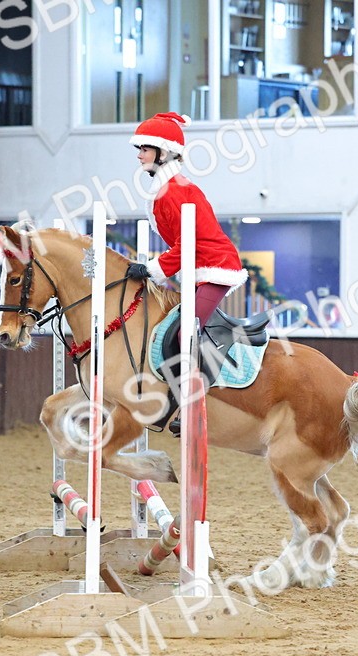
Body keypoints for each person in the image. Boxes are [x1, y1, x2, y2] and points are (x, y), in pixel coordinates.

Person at [124, 112, 247, 434]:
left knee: (184, 334)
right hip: (199, 268)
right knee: (171, 328)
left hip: (216, 267)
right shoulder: (168, 188)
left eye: (144, 149)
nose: (139, 156)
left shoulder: (174, 191)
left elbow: (186, 242)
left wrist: (153, 268)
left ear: (163, 152)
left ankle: (191, 403)